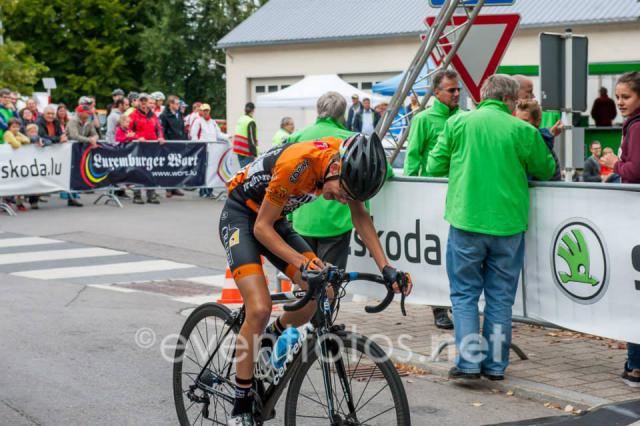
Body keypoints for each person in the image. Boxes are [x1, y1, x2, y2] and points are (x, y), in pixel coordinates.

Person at [220, 132, 411, 425]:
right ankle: (241, 403)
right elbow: (261, 229)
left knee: (326, 293)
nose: (341, 200)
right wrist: (301, 262)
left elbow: (360, 217)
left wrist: (386, 267)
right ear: (335, 169)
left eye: (348, 197)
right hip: (243, 218)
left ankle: (273, 334)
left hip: (276, 220)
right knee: (258, 308)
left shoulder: (345, 165)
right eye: (343, 193)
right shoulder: (298, 164)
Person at [427, 74, 556, 381]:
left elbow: (434, 166)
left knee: (464, 294)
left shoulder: (458, 123)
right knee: (500, 298)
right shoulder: (522, 129)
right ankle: (496, 367)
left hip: (466, 220)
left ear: (483, 95)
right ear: (510, 100)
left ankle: (469, 364)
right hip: (508, 225)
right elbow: (546, 169)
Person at [404, 69, 461, 329]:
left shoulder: (464, 118)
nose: (457, 94)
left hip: (461, 194)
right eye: (451, 90)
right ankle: (439, 308)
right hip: (432, 197)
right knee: (437, 254)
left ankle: (457, 303)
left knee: (457, 253)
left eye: (458, 89)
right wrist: (411, 193)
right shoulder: (423, 119)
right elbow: (412, 157)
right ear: (436, 93)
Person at [599, 72, 640, 388]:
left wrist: (614, 164)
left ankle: (636, 366)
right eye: (618, 97)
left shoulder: (637, 127)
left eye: (625, 97)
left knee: (634, 296)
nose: (620, 103)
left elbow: (634, 172)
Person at [129, 93, 164, 205]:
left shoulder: (152, 115)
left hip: (152, 147)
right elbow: (128, 131)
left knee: (150, 170)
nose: (144, 104)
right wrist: (137, 137)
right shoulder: (133, 115)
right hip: (138, 147)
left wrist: (160, 137)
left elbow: (158, 128)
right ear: (138, 102)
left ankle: (151, 195)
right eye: (142, 101)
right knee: (138, 171)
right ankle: (137, 195)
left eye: (145, 101)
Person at [515, 99, 562, 181]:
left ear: (538, 121)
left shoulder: (542, 147)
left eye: (525, 121)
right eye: (516, 120)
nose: (519, 125)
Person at [191, 103, 224, 198]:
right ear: (200, 111)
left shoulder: (213, 122)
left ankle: (209, 191)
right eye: (203, 110)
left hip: (213, 150)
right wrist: (198, 147)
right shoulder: (198, 121)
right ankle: (203, 191)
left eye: (207, 110)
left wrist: (228, 136)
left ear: (209, 111)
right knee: (203, 170)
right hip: (203, 150)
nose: (205, 112)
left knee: (212, 170)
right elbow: (193, 136)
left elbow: (219, 134)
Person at [160, 95, 188, 197]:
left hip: (179, 143)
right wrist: (165, 141)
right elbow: (162, 130)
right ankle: (168, 188)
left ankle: (175, 187)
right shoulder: (164, 115)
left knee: (177, 166)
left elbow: (182, 128)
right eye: (176, 104)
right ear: (170, 104)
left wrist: (185, 140)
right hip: (170, 144)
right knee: (169, 167)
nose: (178, 105)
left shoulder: (179, 114)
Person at [232, 102, 258, 167]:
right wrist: (254, 152)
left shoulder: (241, 119)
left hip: (238, 149)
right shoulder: (250, 121)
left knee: (242, 170)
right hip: (247, 150)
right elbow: (251, 138)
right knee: (247, 171)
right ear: (253, 110)